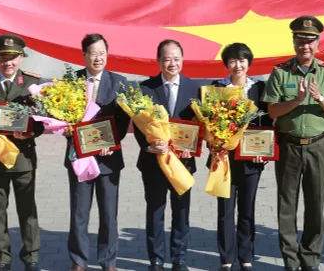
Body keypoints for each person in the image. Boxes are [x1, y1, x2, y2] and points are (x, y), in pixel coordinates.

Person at [261, 16, 324, 271]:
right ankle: (291, 261)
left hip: (318, 146)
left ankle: (311, 260)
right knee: (287, 205)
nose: (305, 46)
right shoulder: (281, 72)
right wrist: (296, 101)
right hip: (289, 145)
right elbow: (273, 111)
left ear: (317, 43)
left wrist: (318, 97)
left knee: (315, 205)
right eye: (300, 41)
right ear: (293, 41)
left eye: (310, 41)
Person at [0, 34, 44, 271]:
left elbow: (43, 120)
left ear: (21, 58)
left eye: (13, 57)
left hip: (23, 157)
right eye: (3, 57)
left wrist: (31, 131)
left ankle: (31, 256)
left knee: (28, 209)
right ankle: (2, 257)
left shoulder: (33, 84)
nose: (8, 63)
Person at [66, 34, 130, 271]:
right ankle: (78, 261)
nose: (98, 58)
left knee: (108, 214)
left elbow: (124, 120)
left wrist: (111, 141)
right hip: (79, 157)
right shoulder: (70, 81)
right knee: (79, 213)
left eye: (102, 52)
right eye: (93, 53)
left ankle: (108, 262)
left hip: (108, 158)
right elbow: (61, 115)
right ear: (84, 55)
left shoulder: (119, 82)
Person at [135, 40, 199, 271]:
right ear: (159, 61)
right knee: (155, 211)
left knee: (182, 211)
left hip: (183, 162)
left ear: (183, 59)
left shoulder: (195, 89)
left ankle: (179, 258)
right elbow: (139, 124)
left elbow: (200, 126)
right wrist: (149, 145)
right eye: (167, 59)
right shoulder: (145, 88)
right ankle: (156, 259)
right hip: (153, 162)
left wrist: (191, 147)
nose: (172, 63)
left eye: (176, 58)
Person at [209, 43, 273, 271]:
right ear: (226, 64)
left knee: (247, 209)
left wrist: (263, 153)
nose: (238, 65)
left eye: (242, 60)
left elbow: (266, 123)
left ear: (249, 62)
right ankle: (226, 259)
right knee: (225, 211)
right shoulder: (216, 88)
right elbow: (208, 123)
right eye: (233, 61)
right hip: (223, 159)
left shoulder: (260, 88)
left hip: (251, 159)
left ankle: (246, 256)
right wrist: (213, 144)